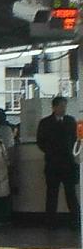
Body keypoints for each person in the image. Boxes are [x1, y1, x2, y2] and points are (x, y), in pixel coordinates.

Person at [36, 96, 80, 226]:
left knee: (70, 193)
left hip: (68, 162)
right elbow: (40, 141)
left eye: (65, 106)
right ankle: (50, 221)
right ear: (54, 107)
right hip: (52, 163)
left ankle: (76, 219)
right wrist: (51, 151)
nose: (63, 109)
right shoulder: (45, 123)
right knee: (52, 193)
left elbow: (76, 139)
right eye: (61, 106)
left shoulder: (70, 121)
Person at [0, 108, 17, 224]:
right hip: (5, 163)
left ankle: (2, 216)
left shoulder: (2, 130)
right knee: (5, 191)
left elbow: (6, 148)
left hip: (2, 164)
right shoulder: (8, 129)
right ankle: (4, 216)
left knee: (2, 192)